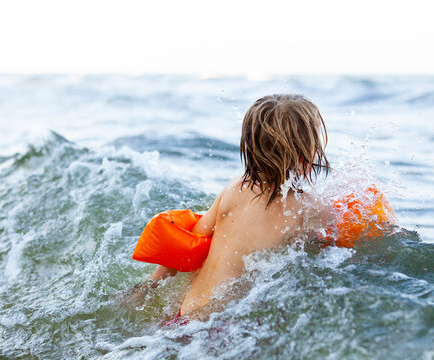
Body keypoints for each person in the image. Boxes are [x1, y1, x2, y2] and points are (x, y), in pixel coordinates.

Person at [135, 94, 330, 318]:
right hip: (225, 325)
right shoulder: (309, 208)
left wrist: (150, 284)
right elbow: (330, 257)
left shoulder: (234, 189)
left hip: (185, 315)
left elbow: (186, 243)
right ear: (306, 154)